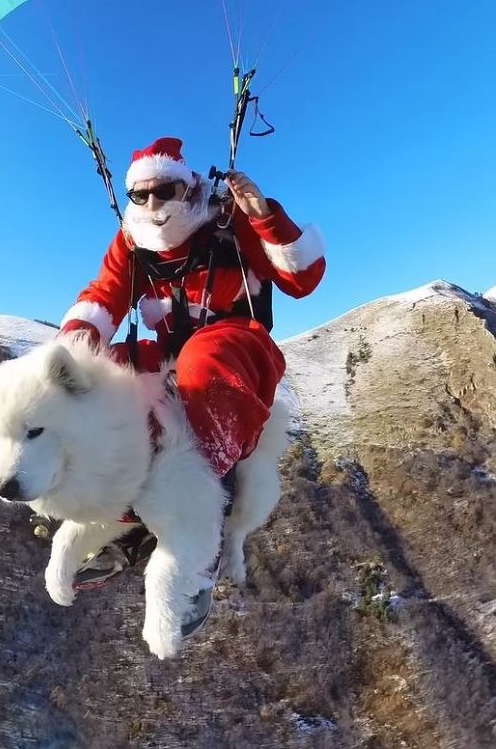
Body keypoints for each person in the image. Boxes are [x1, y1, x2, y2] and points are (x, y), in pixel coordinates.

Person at [58, 136, 325, 634]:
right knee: (108, 373)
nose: (154, 205)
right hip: (169, 356)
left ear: (190, 187)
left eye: (166, 191)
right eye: (142, 195)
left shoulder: (229, 218)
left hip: (238, 348)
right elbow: (104, 297)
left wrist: (264, 215)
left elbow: (303, 277)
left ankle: (201, 513)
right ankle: (121, 507)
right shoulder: (132, 242)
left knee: (205, 357)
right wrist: (69, 355)